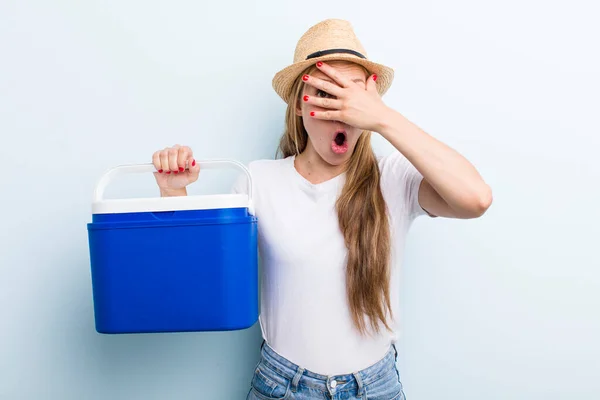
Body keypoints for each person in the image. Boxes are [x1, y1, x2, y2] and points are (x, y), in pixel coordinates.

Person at [151, 19, 492, 400]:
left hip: (375, 387)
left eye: (351, 98)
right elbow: (202, 283)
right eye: (326, 95)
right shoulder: (257, 182)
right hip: (282, 386)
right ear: (299, 103)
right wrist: (173, 195)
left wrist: (383, 118)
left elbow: (475, 199)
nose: (341, 111)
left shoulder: (394, 178)